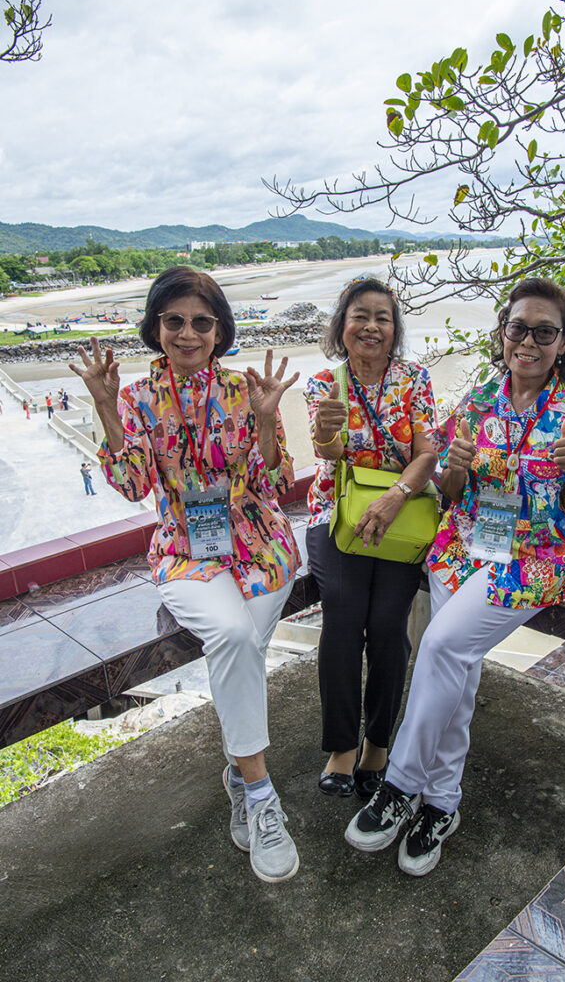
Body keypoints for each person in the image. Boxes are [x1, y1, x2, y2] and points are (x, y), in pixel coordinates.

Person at [345, 276, 565, 876]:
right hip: (464, 546)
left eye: (544, 332)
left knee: (442, 645)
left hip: (535, 557)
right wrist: (453, 467)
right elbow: (452, 492)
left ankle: (400, 784)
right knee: (459, 668)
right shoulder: (476, 402)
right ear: (502, 333)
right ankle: (442, 804)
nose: (528, 341)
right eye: (518, 328)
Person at [69, 266, 302, 884]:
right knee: (233, 636)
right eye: (174, 321)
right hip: (185, 550)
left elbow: (279, 483)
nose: (188, 333)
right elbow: (133, 486)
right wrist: (104, 407)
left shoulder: (245, 389)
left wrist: (266, 422)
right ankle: (260, 792)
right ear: (156, 328)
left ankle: (237, 773)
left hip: (260, 545)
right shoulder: (137, 399)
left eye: (202, 321)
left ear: (220, 330)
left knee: (241, 649)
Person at [304, 276, 438, 799]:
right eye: (360, 315)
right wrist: (325, 430)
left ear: (394, 329)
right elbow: (329, 453)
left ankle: (378, 742)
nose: (371, 326)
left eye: (383, 318)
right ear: (342, 325)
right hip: (337, 510)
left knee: (387, 627)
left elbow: (427, 454)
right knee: (342, 615)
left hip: (402, 511)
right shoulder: (325, 382)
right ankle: (341, 746)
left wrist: (396, 495)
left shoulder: (414, 379)